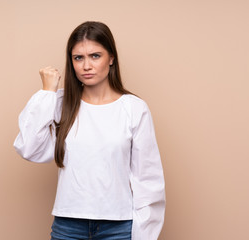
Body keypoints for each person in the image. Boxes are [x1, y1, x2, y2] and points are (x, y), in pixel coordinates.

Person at [13, 21, 165, 240]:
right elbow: (29, 148)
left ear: (111, 58)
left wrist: (145, 235)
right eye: (78, 58)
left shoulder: (133, 108)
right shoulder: (60, 103)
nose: (86, 66)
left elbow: (148, 179)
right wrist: (47, 92)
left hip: (119, 227)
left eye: (95, 56)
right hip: (68, 225)